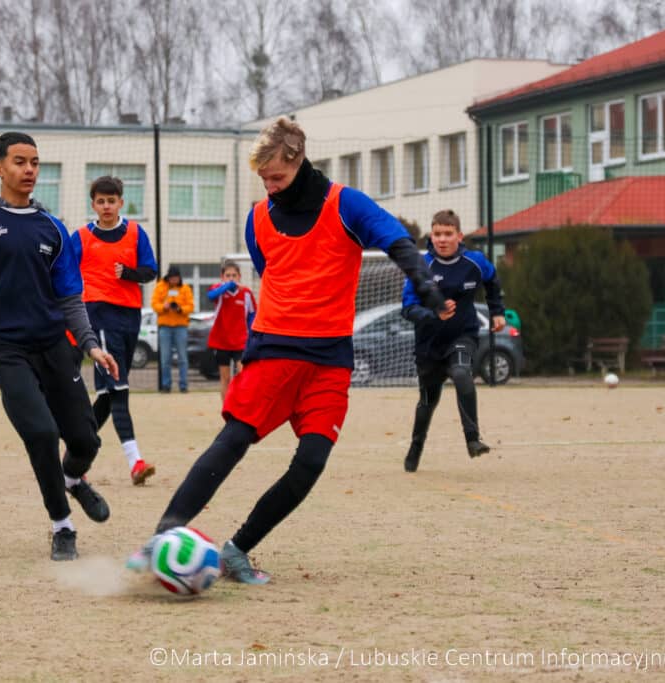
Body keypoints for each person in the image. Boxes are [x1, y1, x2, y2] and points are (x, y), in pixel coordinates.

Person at [128, 117, 445, 583]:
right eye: (263, 179)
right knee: (234, 440)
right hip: (274, 348)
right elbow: (270, 270)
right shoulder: (258, 218)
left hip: (330, 359)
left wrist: (421, 279)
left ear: (298, 161)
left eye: (276, 177)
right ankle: (163, 537)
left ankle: (238, 549)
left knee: (312, 460)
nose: (270, 188)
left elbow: (396, 239)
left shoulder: (346, 205)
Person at [0, 131, 120, 562]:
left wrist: (90, 345)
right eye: (20, 161)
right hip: (6, 348)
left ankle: (73, 479)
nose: (29, 169)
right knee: (39, 431)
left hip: (54, 344)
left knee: (86, 442)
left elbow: (70, 296)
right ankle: (62, 526)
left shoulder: (52, 227)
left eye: (35, 162)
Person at [70, 175, 159, 485]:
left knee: (109, 394)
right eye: (100, 201)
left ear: (121, 202)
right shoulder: (80, 237)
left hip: (129, 316)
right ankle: (136, 462)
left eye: (112, 200)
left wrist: (129, 273)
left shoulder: (135, 233)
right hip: (98, 315)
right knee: (119, 389)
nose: (106, 206)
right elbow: (63, 274)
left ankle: (74, 458)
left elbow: (151, 271)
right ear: (93, 204)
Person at [400, 209, 505, 473]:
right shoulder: (421, 268)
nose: (442, 239)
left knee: (461, 373)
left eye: (448, 234)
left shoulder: (476, 262)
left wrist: (497, 311)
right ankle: (415, 447)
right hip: (429, 345)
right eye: (437, 234)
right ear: (430, 237)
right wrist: (433, 314)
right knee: (427, 401)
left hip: (463, 335)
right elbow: (407, 309)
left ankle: (473, 440)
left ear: (459, 236)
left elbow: (492, 281)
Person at [206, 260, 256, 400]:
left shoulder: (246, 293)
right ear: (222, 277)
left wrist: (252, 333)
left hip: (240, 342)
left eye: (234, 275)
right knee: (225, 378)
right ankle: (226, 411)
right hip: (221, 341)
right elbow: (210, 296)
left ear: (239, 276)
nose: (231, 278)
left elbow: (253, 313)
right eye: (228, 275)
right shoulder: (218, 290)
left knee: (243, 375)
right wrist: (226, 286)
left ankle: (241, 409)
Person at [151, 265, 194, 393]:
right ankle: (166, 385)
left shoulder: (185, 288)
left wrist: (180, 309)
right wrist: (164, 306)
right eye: (172, 278)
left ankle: (183, 385)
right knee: (165, 358)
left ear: (179, 278)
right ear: (168, 277)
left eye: (176, 278)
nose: (174, 280)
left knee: (182, 358)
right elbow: (154, 304)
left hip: (181, 326)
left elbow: (191, 306)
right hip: (165, 327)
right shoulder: (160, 287)